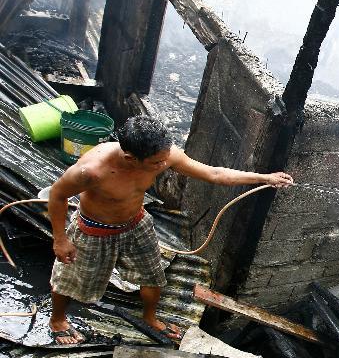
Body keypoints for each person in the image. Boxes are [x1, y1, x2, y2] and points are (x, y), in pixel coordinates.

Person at [48, 115, 293, 345]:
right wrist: (60, 239)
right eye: (157, 163)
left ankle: (150, 318)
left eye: (165, 159)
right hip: (94, 230)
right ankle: (58, 321)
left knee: (154, 275)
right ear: (131, 158)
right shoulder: (91, 170)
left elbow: (214, 173)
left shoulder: (164, 155)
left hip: (136, 224)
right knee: (70, 280)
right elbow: (57, 195)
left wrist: (265, 177)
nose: (164, 165)